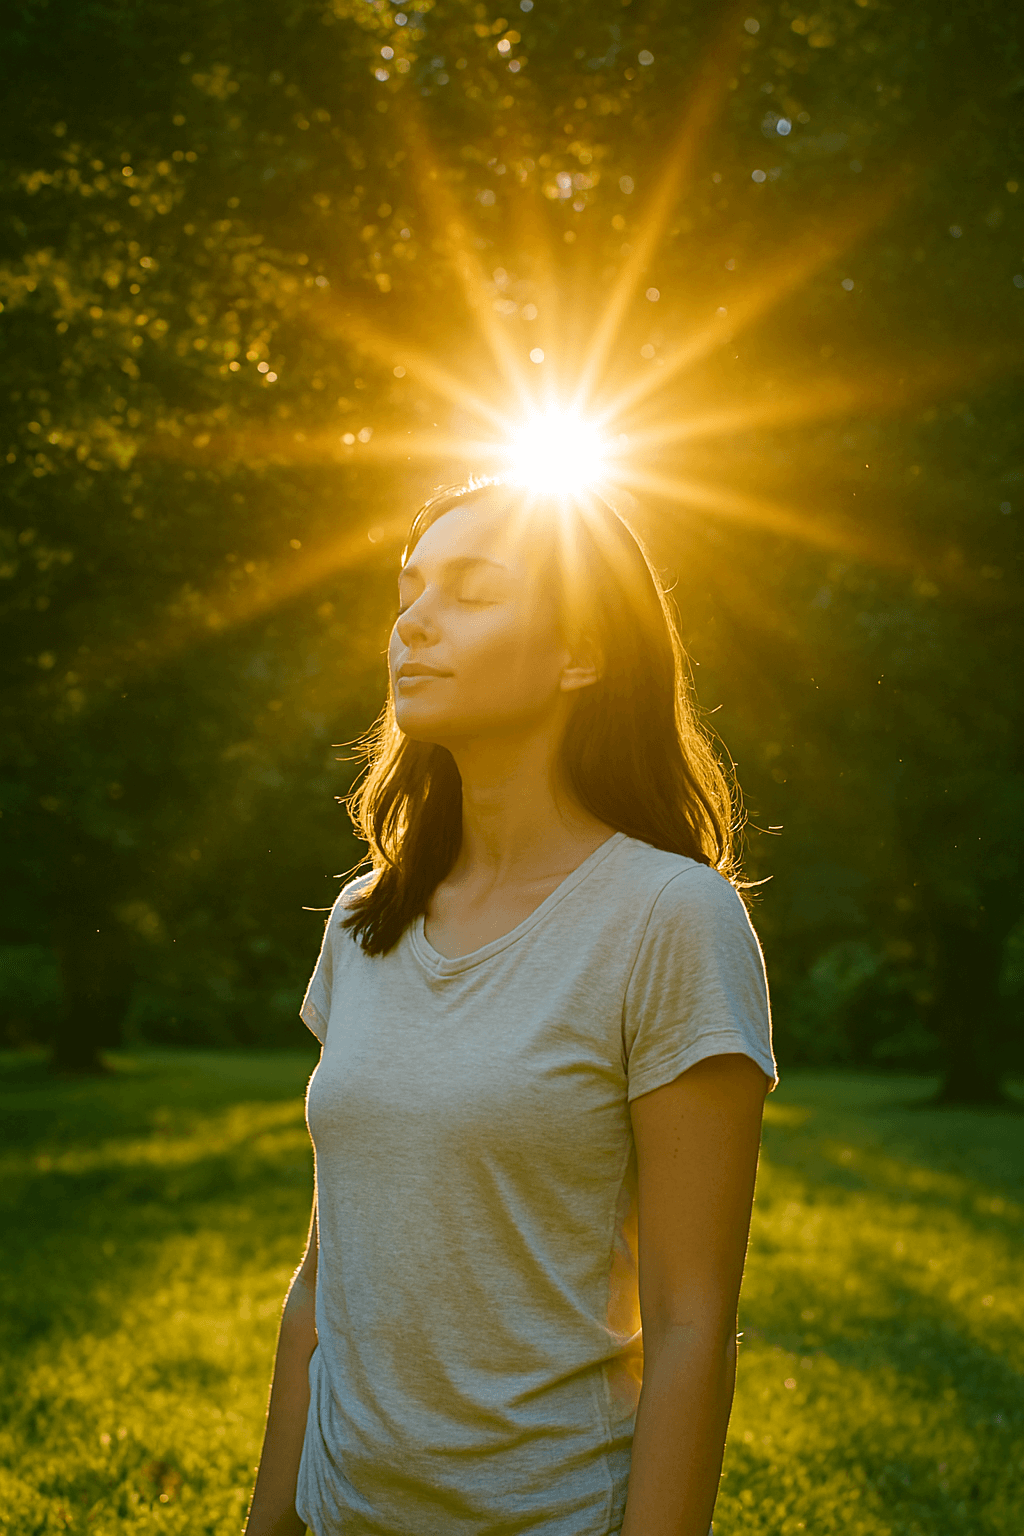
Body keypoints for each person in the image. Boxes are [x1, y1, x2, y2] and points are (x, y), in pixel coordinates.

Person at [243, 476, 777, 1536]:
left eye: (471, 592)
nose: (413, 622)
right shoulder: (363, 920)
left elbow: (687, 1322)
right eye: (408, 591)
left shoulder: (671, 918)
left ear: (581, 653)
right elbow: (323, 1284)